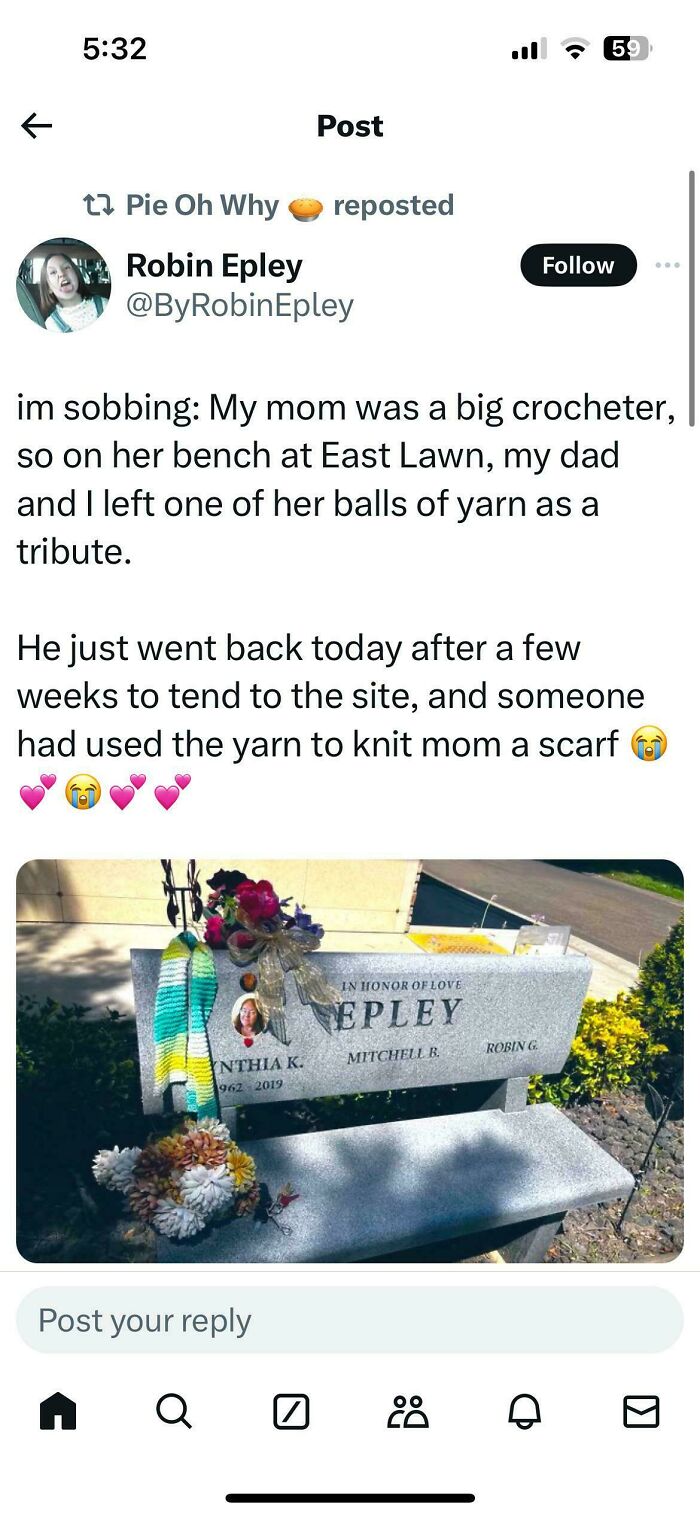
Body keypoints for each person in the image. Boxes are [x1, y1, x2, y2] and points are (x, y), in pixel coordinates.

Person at [38, 252, 108, 332]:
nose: (61, 274)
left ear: (77, 275)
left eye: (66, 267)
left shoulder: (104, 305)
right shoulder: (51, 325)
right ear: (48, 288)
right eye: (53, 272)